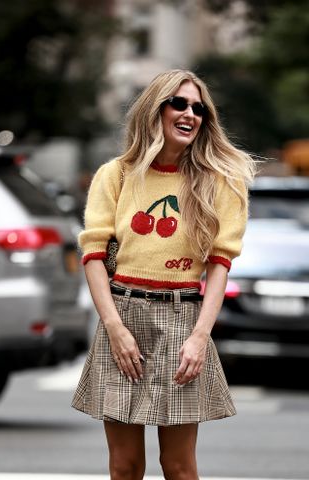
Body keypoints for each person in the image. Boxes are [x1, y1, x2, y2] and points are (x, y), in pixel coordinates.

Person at [72, 69, 255, 479]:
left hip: (182, 320)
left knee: (178, 467)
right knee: (124, 466)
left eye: (199, 107)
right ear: (155, 111)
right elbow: (94, 254)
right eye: (179, 103)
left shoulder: (218, 182)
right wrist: (114, 327)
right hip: (123, 315)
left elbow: (221, 265)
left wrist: (199, 337)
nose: (191, 113)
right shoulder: (115, 175)